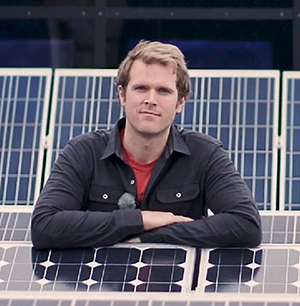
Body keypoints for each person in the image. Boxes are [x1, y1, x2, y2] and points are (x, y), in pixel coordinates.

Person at [31, 40, 262, 249]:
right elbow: (45, 226)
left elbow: (246, 224)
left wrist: (151, 236)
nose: (150, 99)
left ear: (180, 102)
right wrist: (141, 219)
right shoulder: (84, 152)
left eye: (163, 91)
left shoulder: (205, 153)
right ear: (122, 95)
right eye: (141, 88)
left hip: (175, 292)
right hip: (98, 290)